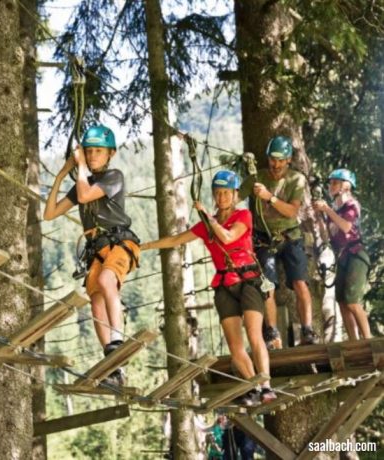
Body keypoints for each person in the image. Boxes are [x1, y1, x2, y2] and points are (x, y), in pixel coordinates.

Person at [141, 170, 277, 405]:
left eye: (226, 192)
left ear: (235, 194)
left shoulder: (243, 215)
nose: (222, 197)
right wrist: (143, 247)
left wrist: (208, 217)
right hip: (224, 285)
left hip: (248, 282)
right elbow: (175, 240)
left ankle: (265, 386)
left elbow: (227, 237)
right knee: (235, 345)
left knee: (254, 335)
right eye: (218, 193)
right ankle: (252, 386)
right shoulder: (205, 225)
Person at [43, 125, 140, 384]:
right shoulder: (81, 184)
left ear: (110, 154)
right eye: (89, 151)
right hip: (96, 249)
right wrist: (63, 173)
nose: (93, 155)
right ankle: (113, 368)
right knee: (96, 299)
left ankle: (116, 341)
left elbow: (86, 194)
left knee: (108, 282)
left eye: (98, 151)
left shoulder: (113, 177)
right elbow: (49, 212)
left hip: (119, 243)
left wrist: (79, 167)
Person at [239, 135, 318, 348]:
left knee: (300, 282)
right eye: (272, 159)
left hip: (291, 236)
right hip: (263, 239)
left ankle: (308, 330)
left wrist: (268, 197)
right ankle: (272, 333)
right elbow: (233, 197)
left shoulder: (296, 179)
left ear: (288, 160)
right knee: (268, 287)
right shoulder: (256, 178)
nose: (276, 164)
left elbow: (292, 211)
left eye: (280, 160)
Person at [313, 169, 371, 340]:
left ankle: (368, 340)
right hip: (342, 257)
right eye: (331, 183)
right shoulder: (335, 210)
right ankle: (354, 342)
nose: (331, 186)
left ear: (346, 186)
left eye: (335, 183)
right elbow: (327, 237)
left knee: (352, 301)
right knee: (342, 302)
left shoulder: (352, 205)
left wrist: (327, 210)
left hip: (356, 254)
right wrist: (320, 216)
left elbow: (346, 227)